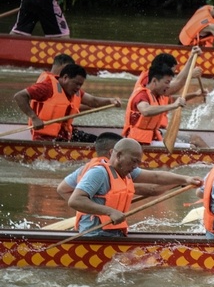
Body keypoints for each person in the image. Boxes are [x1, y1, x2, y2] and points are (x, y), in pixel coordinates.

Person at [67, 138, 201, 236]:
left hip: (114, 232)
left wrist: (186, 179)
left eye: (138, 162)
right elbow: (75, 200)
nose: (136, 166)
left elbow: (156, 177)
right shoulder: (98, 173)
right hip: (94, 234)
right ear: (119, 156)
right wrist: (110, 211)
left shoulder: (127, 171)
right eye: (134, 161)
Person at [13, 63, 122, 143]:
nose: (78, 88)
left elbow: (93, 101)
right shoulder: (47, 88)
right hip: (45, 137)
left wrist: (110, 100)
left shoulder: (75, 91)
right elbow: (19, 96)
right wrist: (34, 118)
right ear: (65, 78)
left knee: (99, 141)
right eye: (76, 84)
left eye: (81, 85)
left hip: (65, 134)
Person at [56, 132, 165, 200]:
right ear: (114, 153)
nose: (135, 165)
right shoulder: (102, 172)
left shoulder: (85, 168)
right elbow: (152, 188)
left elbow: (62, 189)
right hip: (98, 232)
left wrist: (86, 210)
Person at [122, 63, 186, 145]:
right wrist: (173, 106)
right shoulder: (142, 95)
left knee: (194, 141)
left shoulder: (157, 95)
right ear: (155, 81)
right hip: (137, 143)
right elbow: (145, 110)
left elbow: (178, 83)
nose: (169, 86)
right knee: (192, 146)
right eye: (167, 83)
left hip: (151, 139)